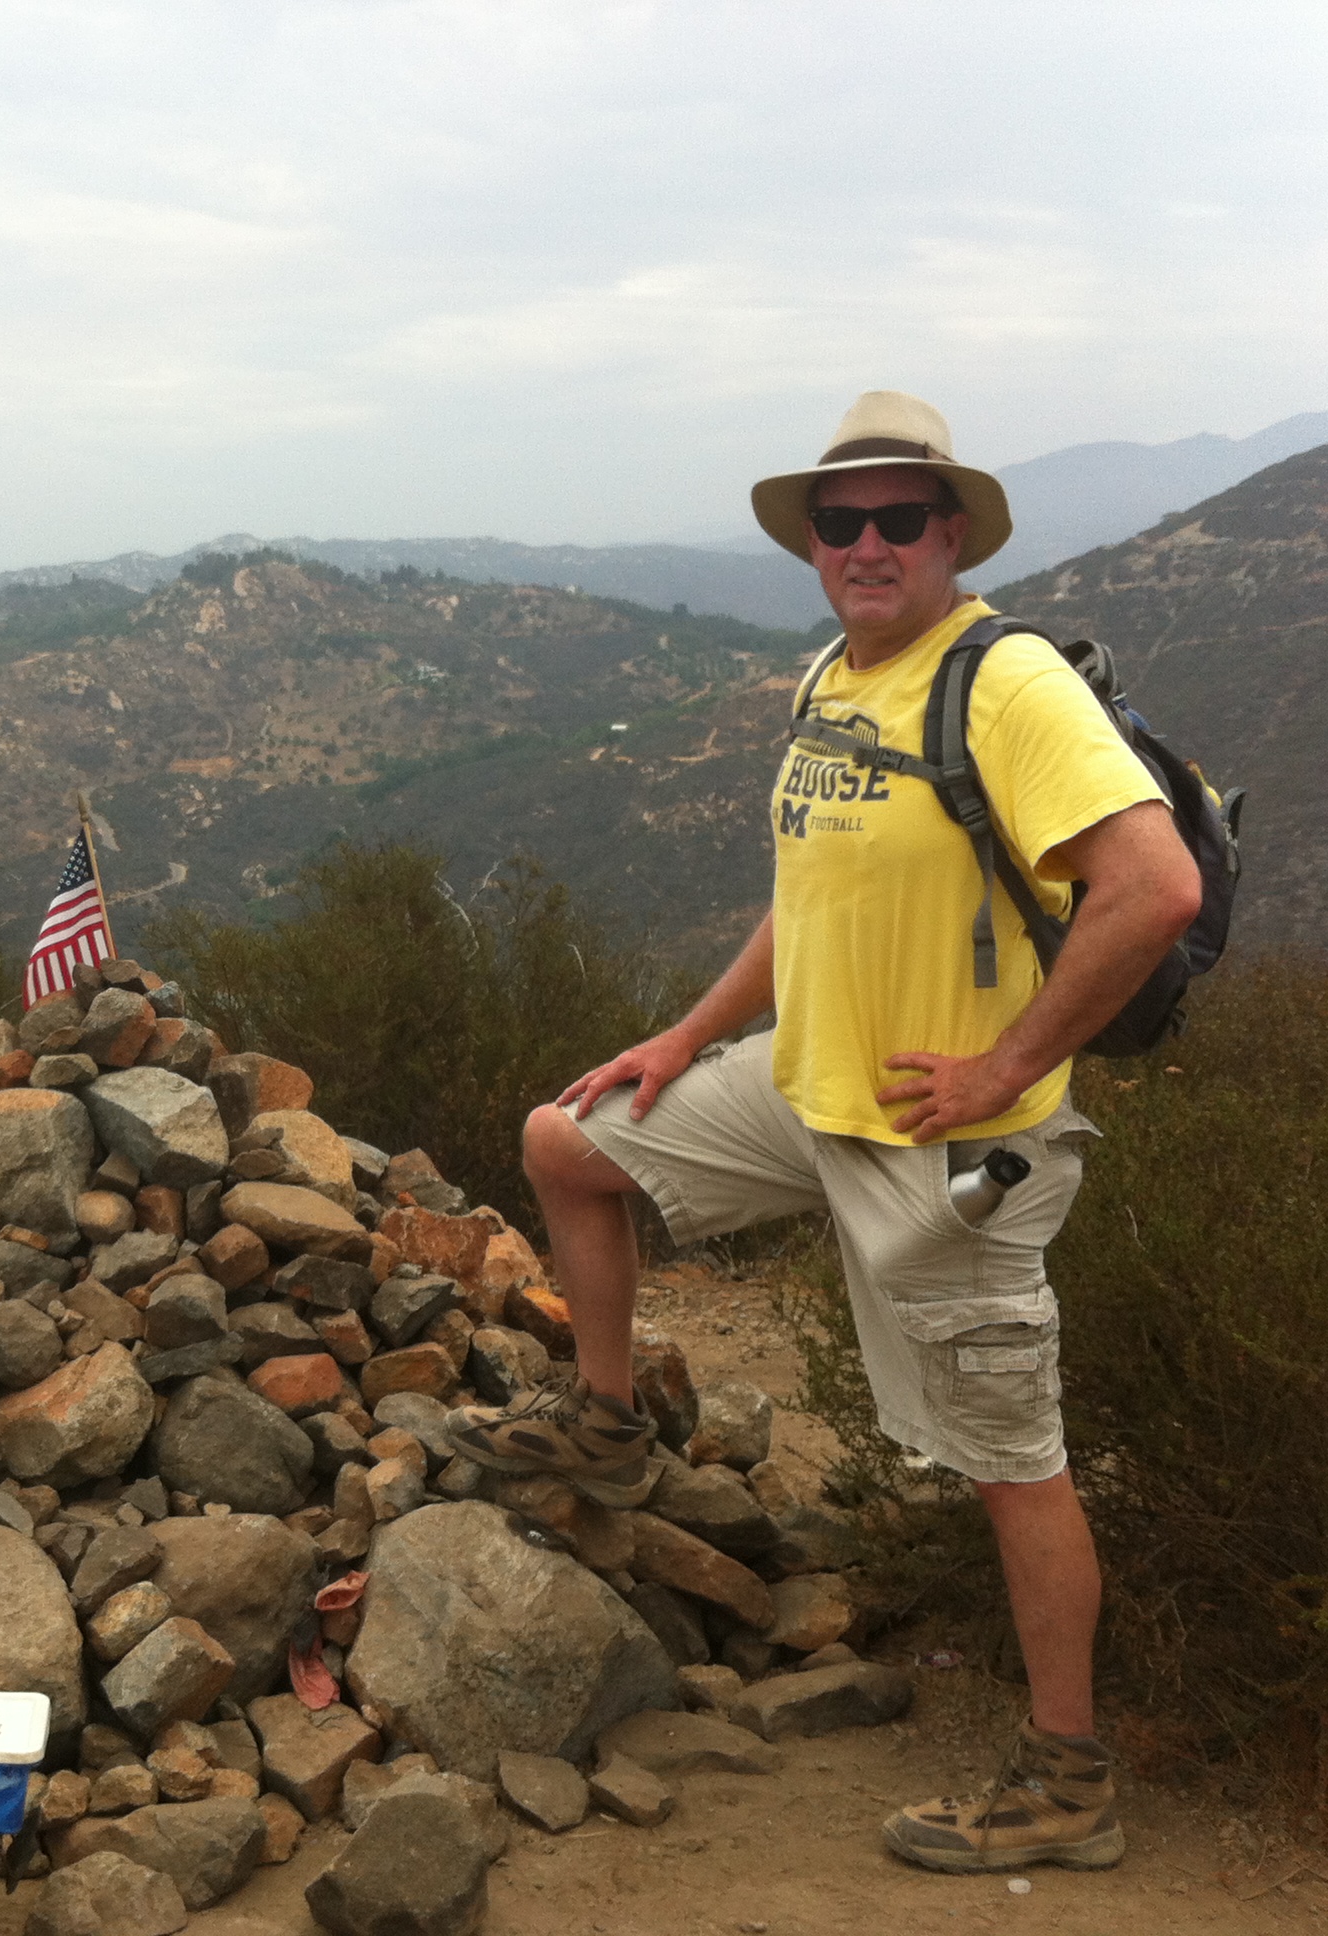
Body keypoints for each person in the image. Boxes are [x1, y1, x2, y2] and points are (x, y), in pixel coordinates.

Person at [444, 391, 1202, 1874]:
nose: (864, 543)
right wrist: (683, 1035)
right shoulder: (835, 683)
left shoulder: (1004, 683)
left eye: (896, 518)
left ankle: (1068, 1780)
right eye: (836, 520)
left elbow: (1155, 887)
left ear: (952, 532)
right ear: (809, 541)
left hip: (942, 1143)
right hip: (807, 1089)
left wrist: (1009, 1065)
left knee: (1012, 1458)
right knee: (567, 1144)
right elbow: (812, 896)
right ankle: (604, 1427)